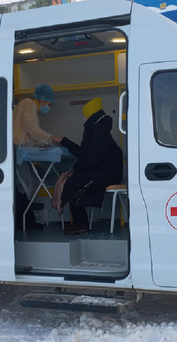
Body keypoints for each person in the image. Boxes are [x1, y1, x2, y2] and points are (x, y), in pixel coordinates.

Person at [52, 97, 123, 235]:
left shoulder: (98, 130)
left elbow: (94, 156)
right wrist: (64, 141)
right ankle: (80, 222)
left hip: (107, 174)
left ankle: (81, 223)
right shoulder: (95, 129)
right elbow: (84, 153)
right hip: (104, 171)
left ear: (90, 115)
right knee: (72, 181)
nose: (83, 118)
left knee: (71, 183)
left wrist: (75, 169)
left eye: (85, 115)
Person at [13, 84, 59, 230]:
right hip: (18, 149)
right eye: (49, 104)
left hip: (20, 148)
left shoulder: (29, 107)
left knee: (23, 186)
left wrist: (43, 140)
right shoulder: (28, 103)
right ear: (43, 99)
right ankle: (24, 221)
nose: (49, 107)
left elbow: (30, 134)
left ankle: (25, 220)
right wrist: (49, 138)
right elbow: (31, 128)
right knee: (22, 187)